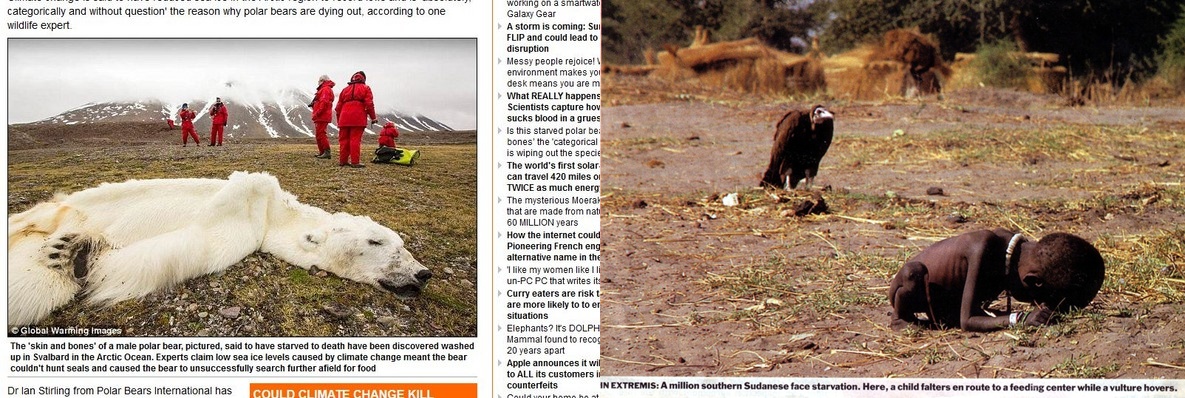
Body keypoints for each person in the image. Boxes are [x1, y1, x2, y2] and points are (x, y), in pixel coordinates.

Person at [888, 229, 1105, 332]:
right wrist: (1019, 319)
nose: (1037, 306)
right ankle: (901, 319)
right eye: (1038, 301)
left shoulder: (1017, 253)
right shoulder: (983, 249)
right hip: (913, 291)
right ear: (1033, 282)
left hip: (948, 302)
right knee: (912, 274)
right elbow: (968, 321)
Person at [334, 71, 377, 168]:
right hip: (358, 117)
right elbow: (369, 104)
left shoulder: (345, 90)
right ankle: (355, 162)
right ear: (363, 79)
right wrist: (373, 117)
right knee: (355, 139)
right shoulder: (366, 88)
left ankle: (343, 161)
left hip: (344, 117)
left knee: (343, 140)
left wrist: (339, 120)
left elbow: (338, 108)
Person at [310, 75, 335, 159]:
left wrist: (317, 113)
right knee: (319, 134)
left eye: (319, 81)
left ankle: (327, 152)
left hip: (322, 115)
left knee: (321, 134)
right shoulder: (324, 89)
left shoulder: (325, 89)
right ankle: (322, 152)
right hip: (321, 115)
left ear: (322, 81)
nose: (318, 83)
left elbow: (324, 103)